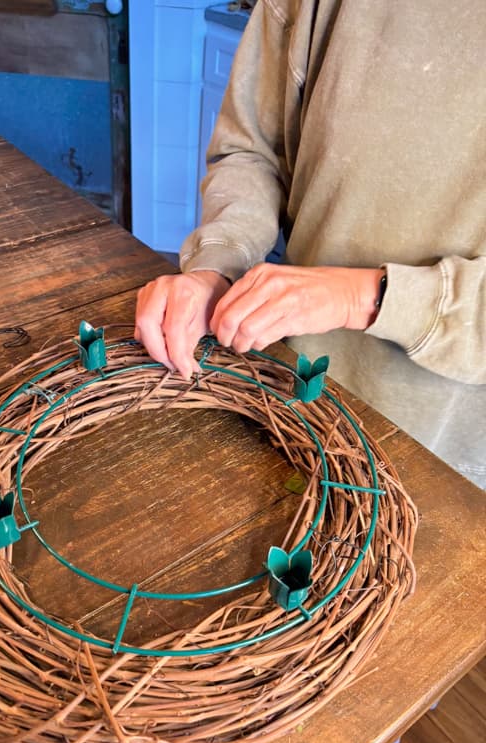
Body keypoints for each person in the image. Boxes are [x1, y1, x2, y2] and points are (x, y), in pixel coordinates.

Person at [135, 0, 486, 492]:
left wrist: (361, 296)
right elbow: (252, 151)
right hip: (289, 384)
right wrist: (215, 267)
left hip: (447, 447)